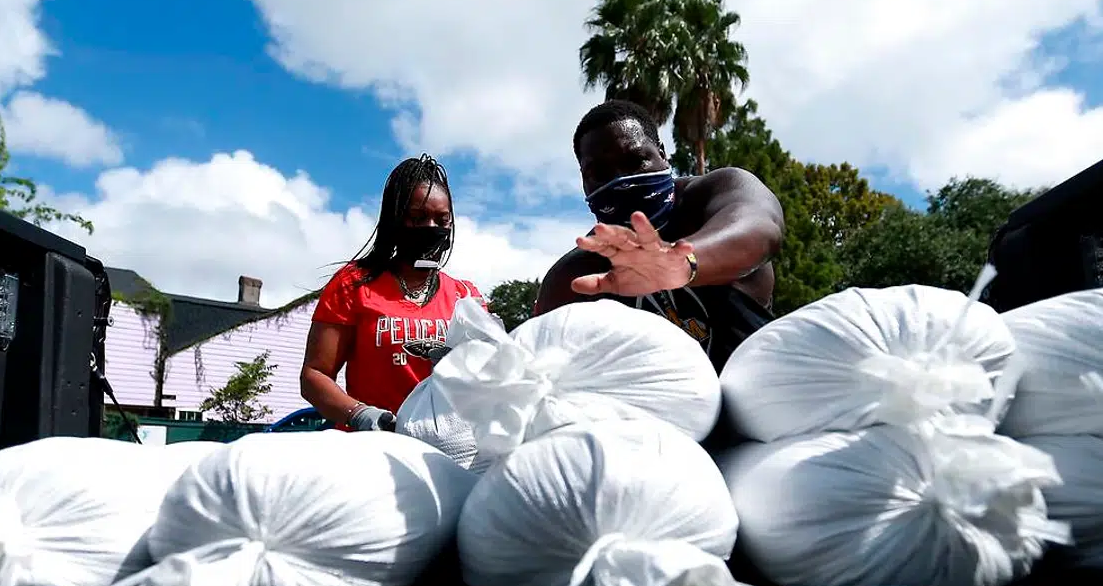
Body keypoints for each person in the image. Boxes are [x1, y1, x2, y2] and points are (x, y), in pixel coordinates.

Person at [534, 99, 784, 372]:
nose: (620, 181)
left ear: (662, 154)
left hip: (760, 398)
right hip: (649, 411)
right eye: (599, 173)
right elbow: (540, 360)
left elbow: (760, 227)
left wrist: (680, 263)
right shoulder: (577, 275)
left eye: (636, 161)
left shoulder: (711, 196)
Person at [301, 154, 486, 431]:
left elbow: (489, 379)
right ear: (395, 220)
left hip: (445, 449)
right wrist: (358, 413)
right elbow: (314, 375)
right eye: (418, 218)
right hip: (371, 449)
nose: (431, 228)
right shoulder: (353, 284)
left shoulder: (465, 296)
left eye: (441, 219)